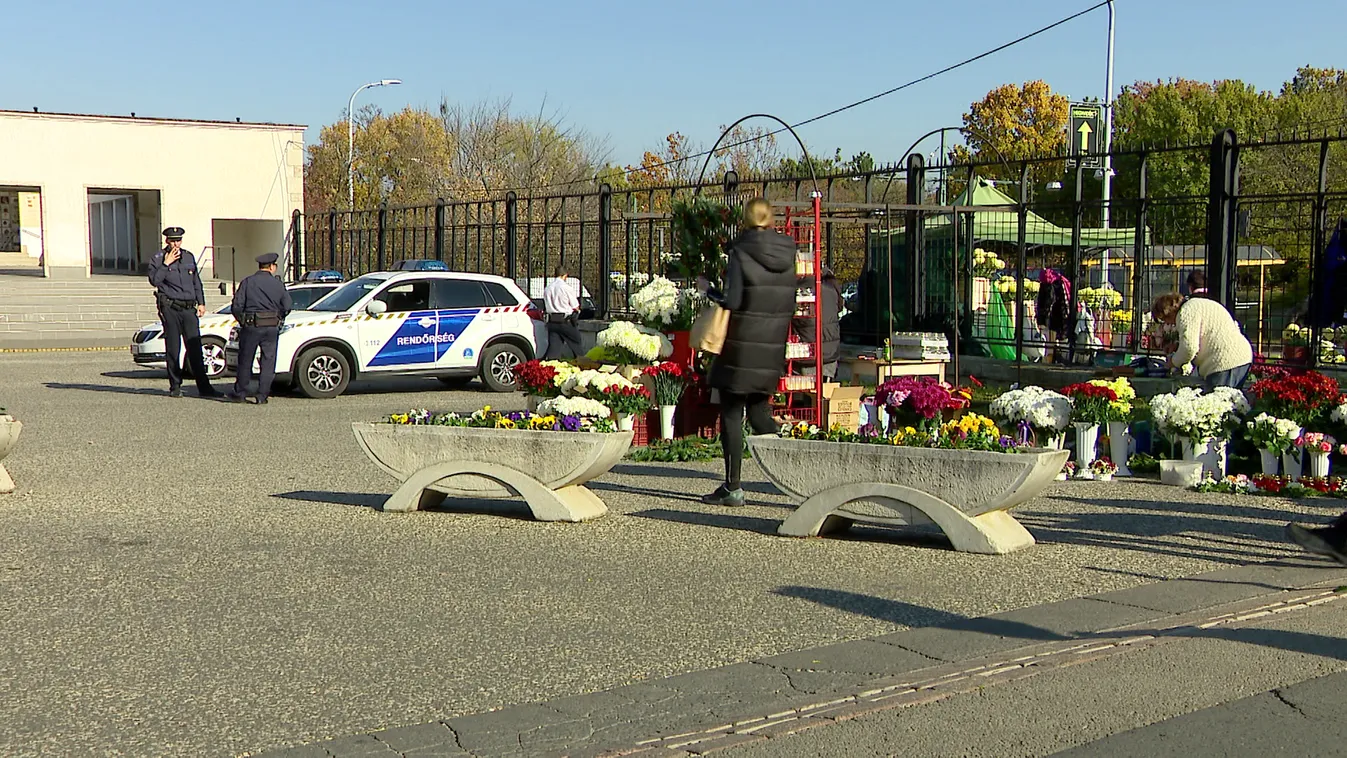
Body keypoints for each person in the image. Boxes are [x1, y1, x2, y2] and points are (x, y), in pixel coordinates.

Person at [699, 197, 797, 507]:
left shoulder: (741, 252)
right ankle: (794, 475)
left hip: (741, 344)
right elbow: (790, 303)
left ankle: (733, 487)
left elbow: (734, 299)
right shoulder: (788, 253)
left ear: (746, 219)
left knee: (731, 411)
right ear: (771, 219)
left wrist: (709, 290)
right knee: (759, 412)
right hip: (772, 345)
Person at [147, 226, 220, 398]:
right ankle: (175, 386)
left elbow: (196, 281)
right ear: (166, 241)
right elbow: (154, 281)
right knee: (173, 348)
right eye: (172, 241)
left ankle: (204, 387)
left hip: (189, 308)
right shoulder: (158, 259)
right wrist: (166, 264)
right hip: (171, 307)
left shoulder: (188, 256)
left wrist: (201, 303)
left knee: (195, 347)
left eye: (178, 240)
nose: (176, 244)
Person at [1150, 292, 1254, 390]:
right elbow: (1204, 336)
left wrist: (1173, 362)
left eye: (1164, 320)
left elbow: (1189, 348)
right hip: (1238, 358)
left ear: (1167, 311)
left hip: (1225, 362)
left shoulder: (1186, 312)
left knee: (1221, 404)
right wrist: (1177, 347)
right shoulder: (1196, 304)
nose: (1169, 323)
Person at [228, 253, 292, 405]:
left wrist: (243, 320)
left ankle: (241, 392)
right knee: (268, 360)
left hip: (251, 325)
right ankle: (262, 395)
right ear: (271, 267)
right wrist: (279, 317)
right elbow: (288, 306)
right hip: (271, 326)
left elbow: (236, 306)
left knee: (245, 359)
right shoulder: (278, 284)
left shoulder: (248, 282)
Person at [791, 266, 842, 379]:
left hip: (805, 354)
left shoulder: (799, 290)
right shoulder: (831, 286)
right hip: (830, 354)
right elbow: (839, 307)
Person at [542, 266, 583, 359]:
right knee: (576, 344)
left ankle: (550, 368)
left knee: (554, 348)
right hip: (566, 321)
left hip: (552, 322)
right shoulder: (566, 287)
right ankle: (582, 365)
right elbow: (575, 306)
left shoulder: (548, 288)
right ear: (565, 276)